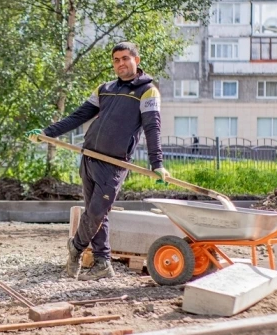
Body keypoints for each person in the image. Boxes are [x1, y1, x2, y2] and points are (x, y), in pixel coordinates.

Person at [26, 42, 169, 281]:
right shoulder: (105, 88)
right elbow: (79, 116)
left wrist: (158, 164)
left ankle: (76, 247)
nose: (121, 63)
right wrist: (47, 132)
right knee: (98, 215)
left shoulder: (147, 91)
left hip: (114, 164)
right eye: (116, 60)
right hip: (90, 157)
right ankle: (103, 263)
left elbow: (152, 127)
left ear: (137, 59)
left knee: (95, 212)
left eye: (125, 58)